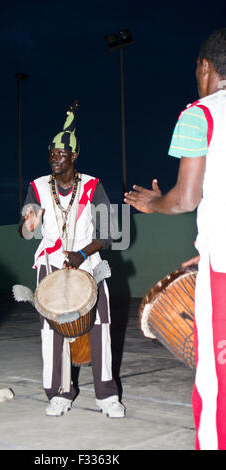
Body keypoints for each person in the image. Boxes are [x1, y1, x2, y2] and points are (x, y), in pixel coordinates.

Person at [124, 28, 226, 450]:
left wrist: (153, 204)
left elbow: (186, 199)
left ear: (204, 67)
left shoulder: (199, 114)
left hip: (222, 273)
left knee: (215, 385)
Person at [18, 102, 125, 418]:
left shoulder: (93, 186)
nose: (54, 159)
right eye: (51, 154)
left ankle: (107, 396)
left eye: (60, 155)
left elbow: (107, 234)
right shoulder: (37, 187)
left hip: (88, 264)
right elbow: (25, 230)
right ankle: (59, 393)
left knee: (101, 327)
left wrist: (81, 255)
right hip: (50, 268)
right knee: (50, 332)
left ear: (74, 156)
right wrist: (28, 223)